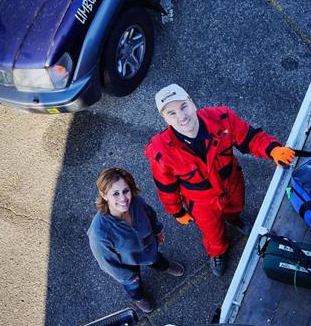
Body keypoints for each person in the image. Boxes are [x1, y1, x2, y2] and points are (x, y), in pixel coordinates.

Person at [145, 84, 295, 277]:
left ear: (192, 102)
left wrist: (273, 149)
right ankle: (218, 253)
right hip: (201, 203)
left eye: (183, 106)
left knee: (236, 207)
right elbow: (166, 188)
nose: (181, 117)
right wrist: (177, 211)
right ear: (165, 118)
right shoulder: (160, 151)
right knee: (213, 234)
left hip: (232, 184)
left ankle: (233, 219)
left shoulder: (222, 118)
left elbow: (250, 139)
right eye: (172, 113)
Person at [88, 168, 185, 313]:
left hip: (149, 249)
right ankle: (139, 298)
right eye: (115, 193)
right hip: (128, 263)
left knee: (157, 260)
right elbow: (107, 263)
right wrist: (128, 277)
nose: (123, 199)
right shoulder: (99, 233)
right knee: (134, 286)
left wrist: (158, 230)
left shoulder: (137, 202)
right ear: (104, 195)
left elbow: (151, 215)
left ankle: (164, 266)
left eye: (125, 191)